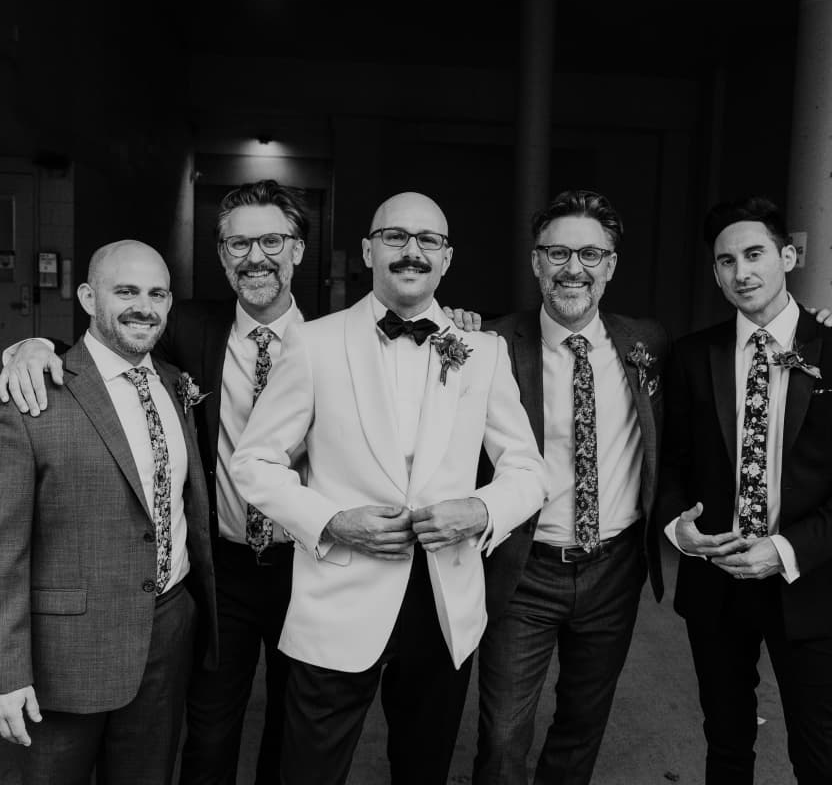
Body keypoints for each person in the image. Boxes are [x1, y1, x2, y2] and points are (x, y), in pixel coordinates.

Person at [0, 179, 482, 785]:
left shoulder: (345, 338)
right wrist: (31, 344)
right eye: (238, 244)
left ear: (299, 250)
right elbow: (112, 347)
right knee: (209, 725)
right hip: (220, 567)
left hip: (315, 562)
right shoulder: (188, 329)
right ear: (221, 255)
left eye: (273, 240)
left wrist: (451, 321)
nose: (257, 257)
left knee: (296, 723)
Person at [229, 191, 547, 785]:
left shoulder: (482, 351)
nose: (412, 251)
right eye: (396, 237)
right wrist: (331, 521)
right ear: (368, 250)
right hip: (340, 594)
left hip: (443, 600)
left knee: (422, 768)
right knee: (309, 769)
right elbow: (254, 462)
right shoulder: (315, 342)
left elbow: (530, 472)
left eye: (429, 240)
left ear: (447, 258)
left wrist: (480, 509)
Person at [0, 241, 217, 785]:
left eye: (157, 293)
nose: (143, 307)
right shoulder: (33, 394)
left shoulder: (174, 381)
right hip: (63, 657)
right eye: (126, 292)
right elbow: (5, 548)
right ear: (87, 297)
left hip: (166, 635)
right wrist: (6, 672)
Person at [471, 189, 667, 785]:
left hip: (614, 569)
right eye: (557, 253)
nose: (573, 268)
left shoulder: (649, 344)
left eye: (590, 253)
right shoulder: (491, 344)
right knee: (503, 731)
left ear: (611, 264)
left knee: (584, 721)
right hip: (524, 568)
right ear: (536, 262)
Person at [659, 196, 832, 785]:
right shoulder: (691, 354)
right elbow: (672, 464)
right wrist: (678, 528)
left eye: (755, 254)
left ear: (788, 255)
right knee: (726, 746)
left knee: (820, 752)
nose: (742, 272)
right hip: (717, 582)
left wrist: (784, 550)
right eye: (726, 261)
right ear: (715, 272)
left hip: (810, 581)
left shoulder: (831, 350)